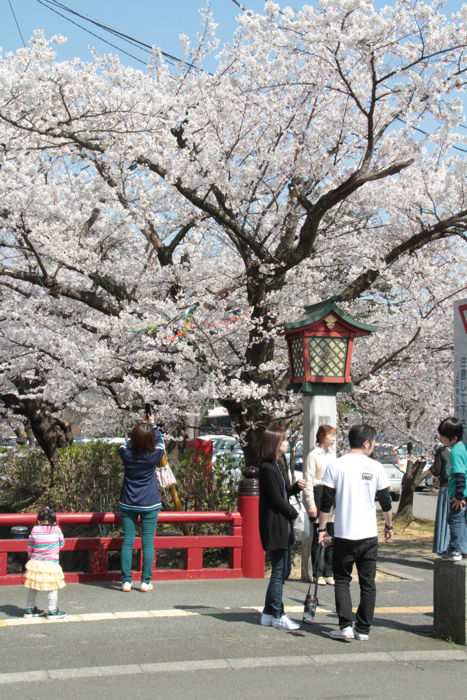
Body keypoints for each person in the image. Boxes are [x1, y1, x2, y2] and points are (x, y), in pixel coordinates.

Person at [318, 424, 393, 641]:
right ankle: (363, 629)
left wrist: (322, 529)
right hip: (368, 534)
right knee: (367, 582)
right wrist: (388, 526)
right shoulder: (376, 467)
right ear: (367, 443)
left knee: (342, 579)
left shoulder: (336, 465)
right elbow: (386, 501)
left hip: (343, 533)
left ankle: (345, 626)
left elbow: (326, 502)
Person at [259, 428, 306, 631]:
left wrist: (294, 488)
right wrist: (293, 513)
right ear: (274, 444)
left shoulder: (279, 464)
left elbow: (283, 492)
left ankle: (269, 612)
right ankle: (278, 614)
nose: (286, 443)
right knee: (279, 570)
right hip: (275, 524)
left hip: (282, 524)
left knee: (284, 569)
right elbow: (275, 499)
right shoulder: (267, 468)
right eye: (284, 440)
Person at [119, 418, 164, 591]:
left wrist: (136, 434)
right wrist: (154, 426)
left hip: (128, 501)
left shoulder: (126, 453)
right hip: (150, 502)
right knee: (148, 543)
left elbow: (126, 443)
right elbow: (161, 442)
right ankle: (145, 581)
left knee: (128, 542)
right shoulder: (154, 455)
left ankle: (126, 581)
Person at [302, 424, 337, 586]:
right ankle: (317, 572)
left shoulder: (333, 455)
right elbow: (308, 480)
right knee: (318, 536)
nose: (333, 438)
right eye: (331, 435)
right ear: (322, 436)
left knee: (331, 534)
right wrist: (311, 503)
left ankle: (329, 571)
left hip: (331, 494)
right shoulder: (313, 455)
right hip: (318, 492)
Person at [23, 506, 66, 618]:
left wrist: (31, 556)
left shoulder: (35, 529)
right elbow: (62, 544)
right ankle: (52, 610)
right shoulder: (56, 529)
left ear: (39, 519)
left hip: (36, 562)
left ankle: (29, 609)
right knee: (52, 587)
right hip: (51, 563)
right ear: (53, 519)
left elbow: (30, 547)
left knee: (33, 586)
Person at [437, 417, 467, 561]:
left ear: (453, 438)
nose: (440, 438)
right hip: (462, 494)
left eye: (443, 436)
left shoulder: (455, 452)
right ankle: (461, 549)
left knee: (455, 520)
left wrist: (458, 496)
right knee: (461, 522)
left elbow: (460, 475)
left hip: (459, 496)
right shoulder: (461, 448)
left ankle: (455, 550)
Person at [431, 444, 450, 556]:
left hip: (447, 488)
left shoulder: (442, 451)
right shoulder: (462, 448)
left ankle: (443, 548)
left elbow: (436, 470)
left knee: (444, 519)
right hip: (461, 488)